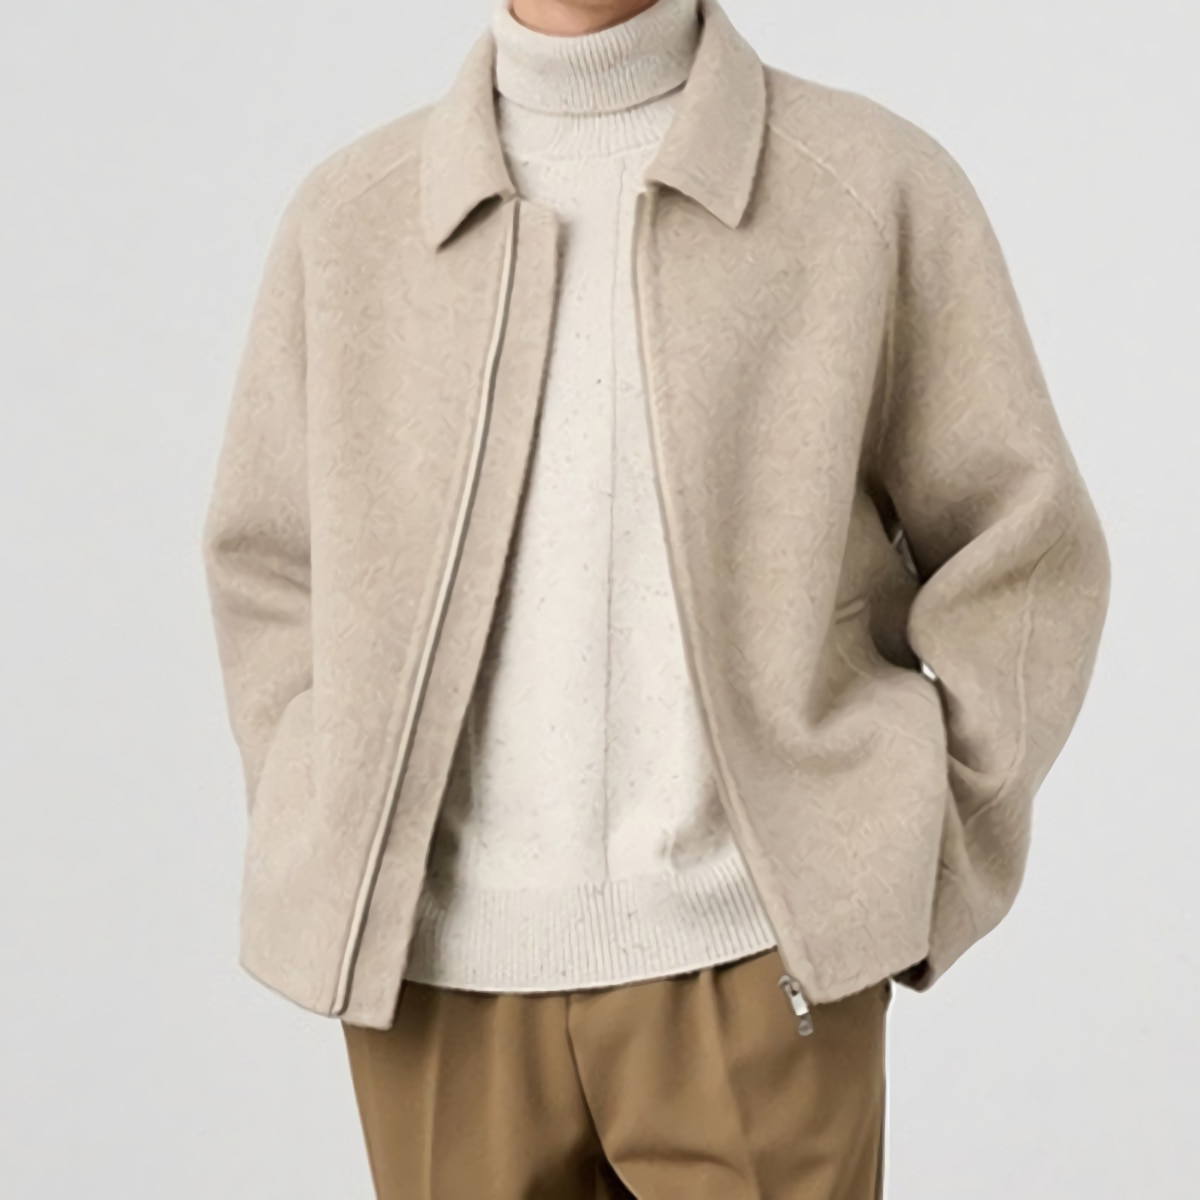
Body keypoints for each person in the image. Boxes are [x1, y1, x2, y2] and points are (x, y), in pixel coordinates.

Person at [199, 0, 1112, 1195]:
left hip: (752, 961)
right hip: (433, 984)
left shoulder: (864, 188)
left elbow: (1025, 550)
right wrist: (329, 820)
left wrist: (915, 863)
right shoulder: (351, 220)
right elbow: (270, 569)